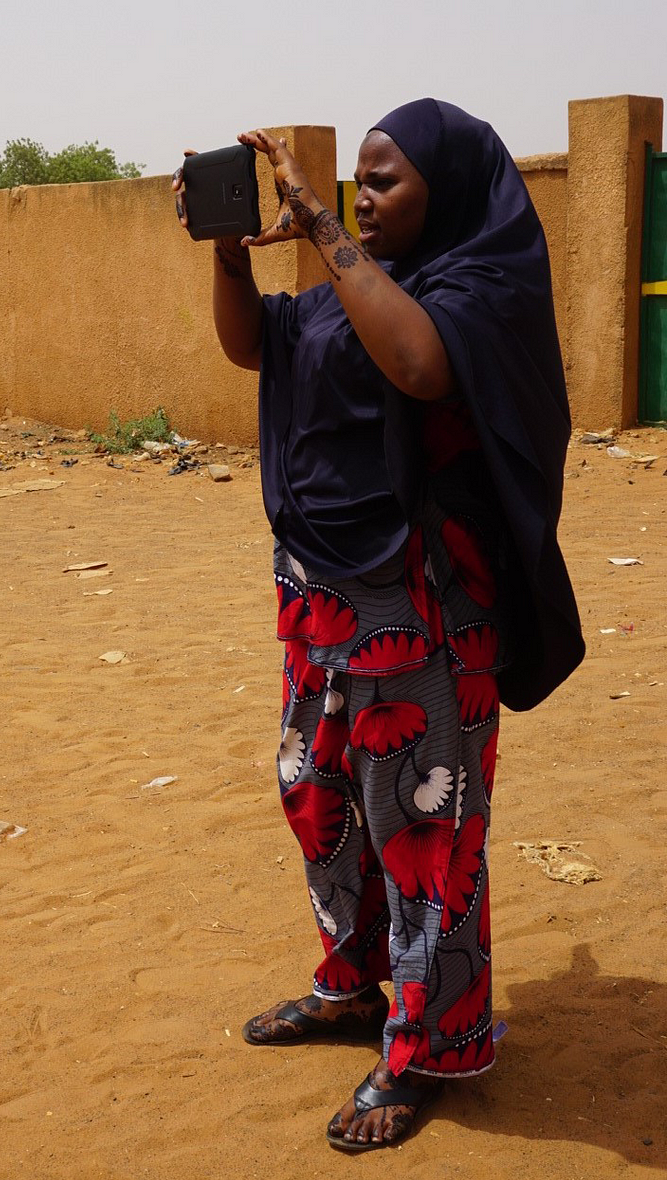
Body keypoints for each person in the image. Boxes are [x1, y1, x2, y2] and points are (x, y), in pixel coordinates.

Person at [172, 99, 584, 1151]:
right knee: (316, 795)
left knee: (423, 827)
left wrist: (316, 221)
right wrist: (227, 258)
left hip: (426, 607)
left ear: (442, 189)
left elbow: (417, 366)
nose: (364, 194)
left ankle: (428, 1043)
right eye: (358, 178)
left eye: (387, 177)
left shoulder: (469, 290)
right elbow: (250, 345)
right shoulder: (336, 296)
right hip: (319, 597)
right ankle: (353, 984)